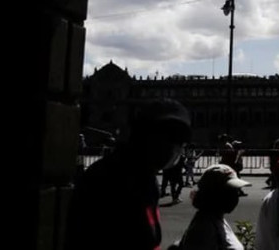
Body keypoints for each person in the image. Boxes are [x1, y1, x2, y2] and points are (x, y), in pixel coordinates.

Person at [64, 98, 192, 250]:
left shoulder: (143, 175)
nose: (174, 147)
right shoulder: (112, 180)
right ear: (142, 134)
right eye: (168, 137)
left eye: (179, 141)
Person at [170, 164, 251, 250]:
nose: (236, 195)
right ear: (213, 193)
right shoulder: (203, 230)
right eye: (230, 190)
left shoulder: (215, 218)